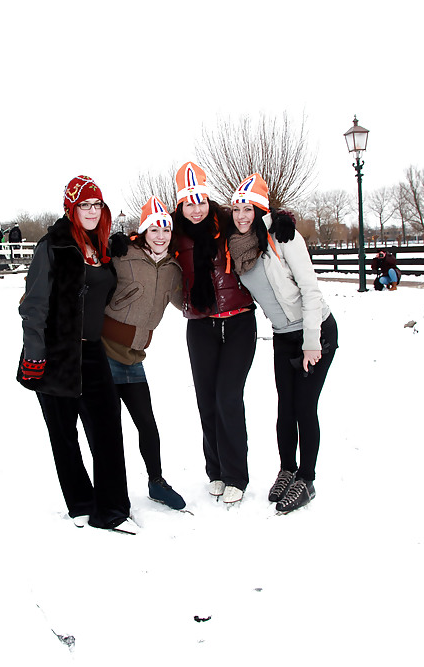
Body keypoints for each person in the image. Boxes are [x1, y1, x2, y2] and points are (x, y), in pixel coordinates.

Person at [17, 175, 137, 534]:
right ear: (71, 208)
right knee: (64, 435)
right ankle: (81, 504)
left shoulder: (101, 248)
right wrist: (35, 356)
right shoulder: (53, 246)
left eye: (96, 204)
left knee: (107, 432)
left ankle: (113, 507)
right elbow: (33, 306)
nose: (91, 210)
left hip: (93, 352)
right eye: (84, 204)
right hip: (56, 355)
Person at [227, 173, 338, 514]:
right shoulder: (237, 246)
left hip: (314, 330)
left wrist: (311, 342)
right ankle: (287, 469)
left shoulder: (282, 237)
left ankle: (307, 479)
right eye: (236, 209)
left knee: (304, 408)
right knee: (285, 410)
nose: (242, 215)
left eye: (249, 208)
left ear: (262, 209)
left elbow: (310, 290)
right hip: (281, 335)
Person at [173, 162, 257, 505]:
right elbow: (146, 244)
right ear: (180, 205)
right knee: (207, 400)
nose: (196, 209)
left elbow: (256, 218)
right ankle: (217, 471)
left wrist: (284, 220)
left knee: (227, 397)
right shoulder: (174, 233)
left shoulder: (227, 222)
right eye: (189, 203)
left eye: (201, 202)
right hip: (200, 325)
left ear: (209, 201)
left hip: (238, 321)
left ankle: (237, 473)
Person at [102, 196, 186, 510]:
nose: (161, 235)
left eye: (166, 228)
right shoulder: (124, 255)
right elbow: (94, 275)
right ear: (144, 232)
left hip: (134, 357)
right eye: (154, 229)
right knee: (109, 427)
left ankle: (156, 482)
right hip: (104, 353)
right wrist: (110, 244)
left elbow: (184, 304)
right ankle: (110, 488)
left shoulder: (173, 268)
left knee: (147, 424)